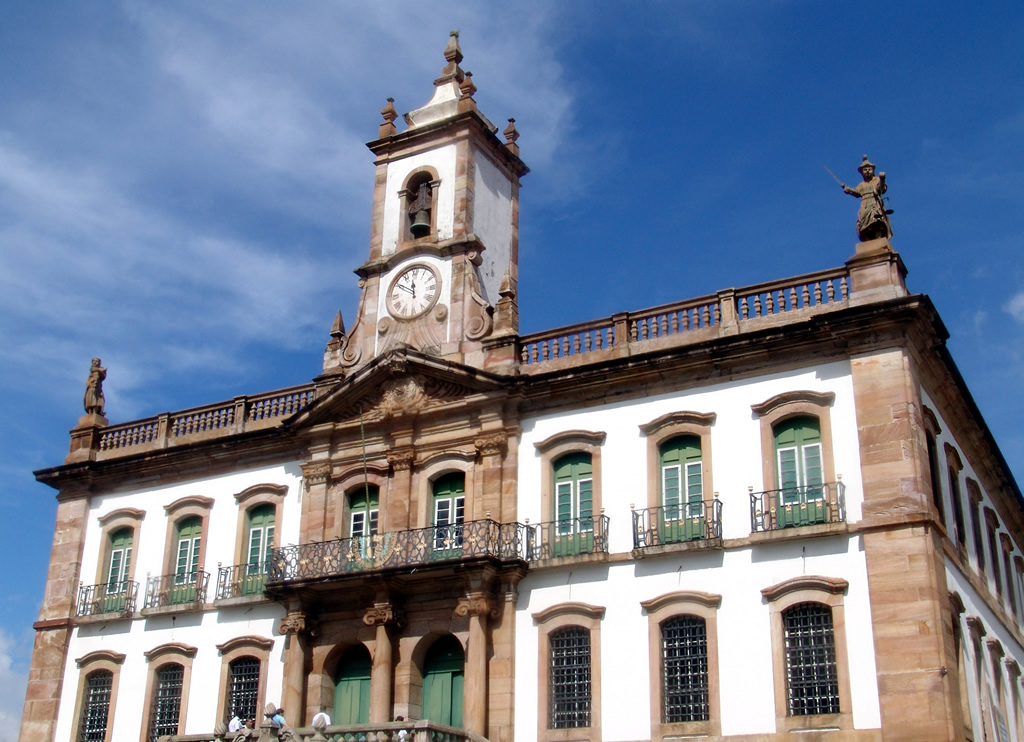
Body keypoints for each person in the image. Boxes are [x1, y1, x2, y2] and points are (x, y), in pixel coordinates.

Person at [841, 155, 892, 241]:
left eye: (869, 169)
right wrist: (848, 189)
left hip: (875, 202)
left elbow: (881, 189)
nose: (867, 171)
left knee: (877, 220)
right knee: (863, 223)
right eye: (865, 170)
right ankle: (867, 240)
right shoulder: (862, 184)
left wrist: (882, 179)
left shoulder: (877, 180)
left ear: (873, 170)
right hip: (865, 205)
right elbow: (857, 192)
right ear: (862, 172)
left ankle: (878, 237)